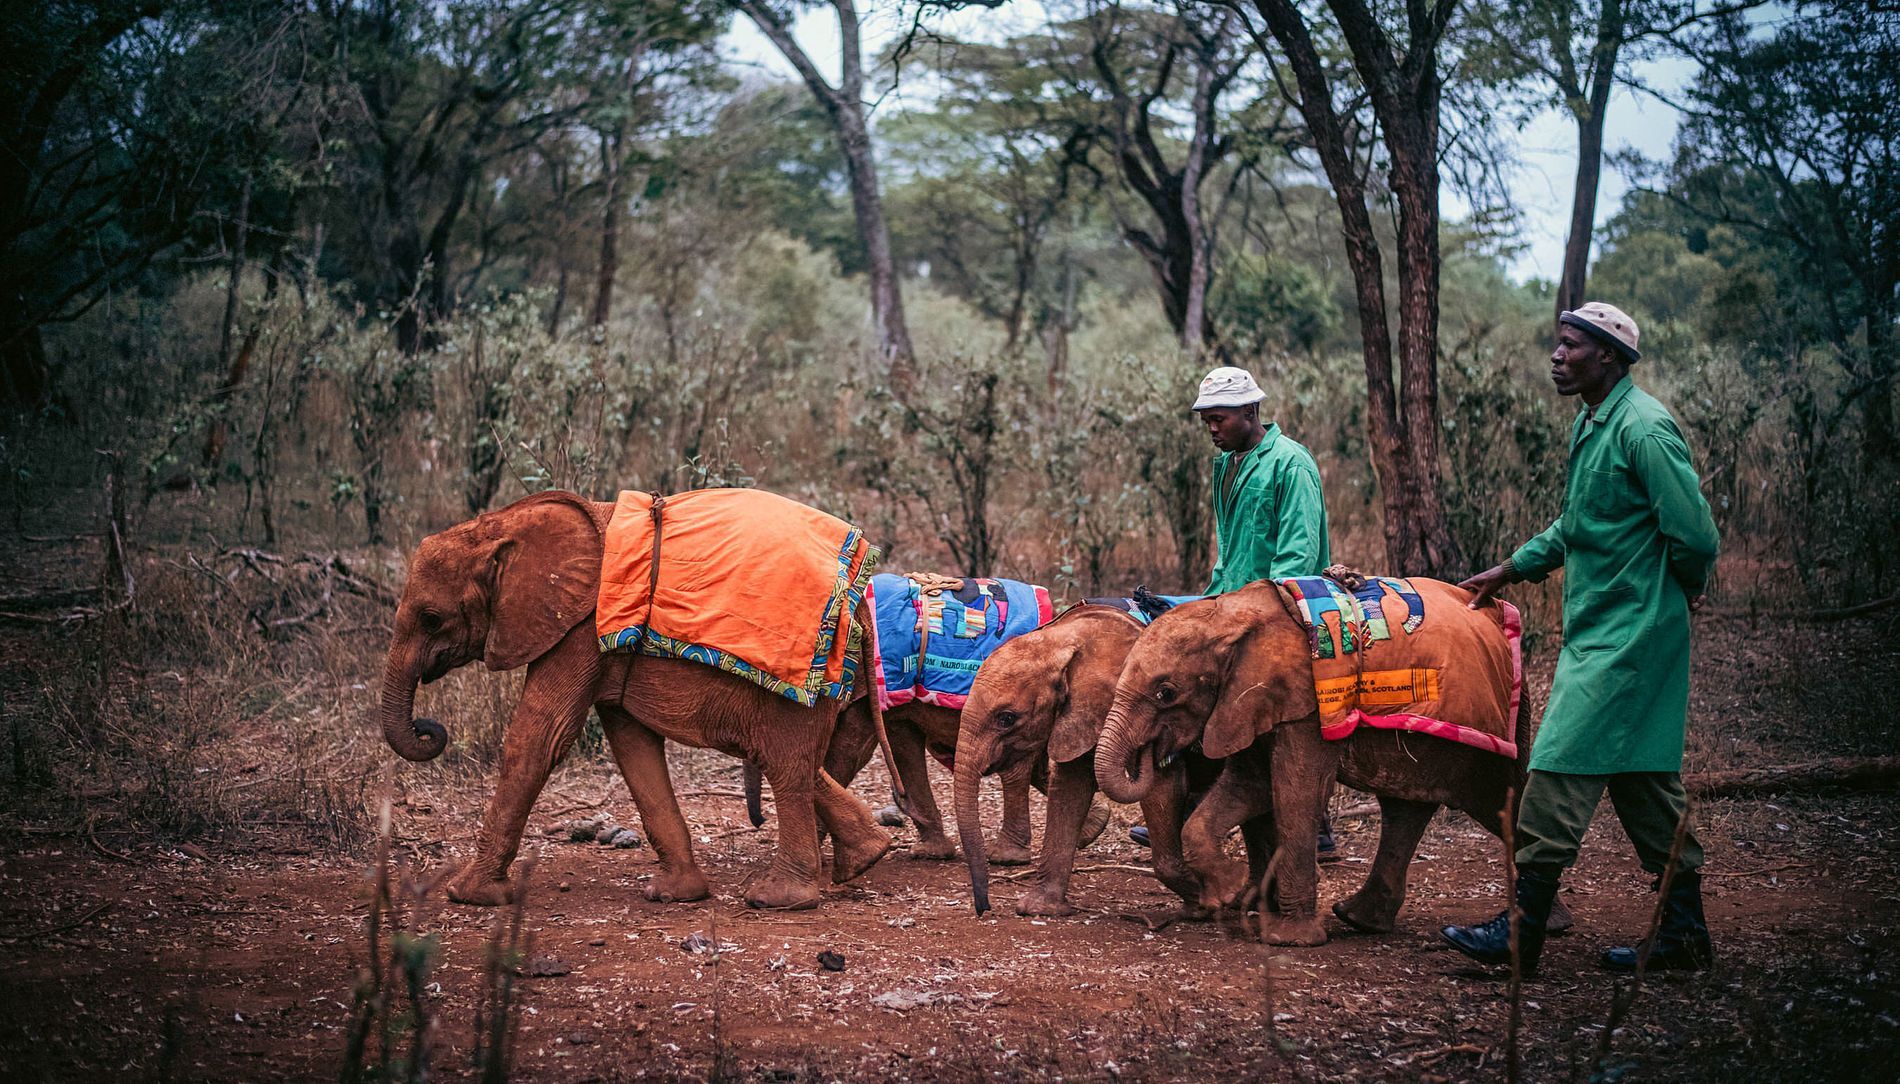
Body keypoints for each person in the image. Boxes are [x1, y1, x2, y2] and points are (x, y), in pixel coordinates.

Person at [1439, 302, 1721, 975]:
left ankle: (1522, 936)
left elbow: (1696, 536)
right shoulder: (1595, 424)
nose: (1558, 356)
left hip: (1633, 634)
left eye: (1571, 347)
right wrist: (1513, 568)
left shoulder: (1645, 430)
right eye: (1557, 345)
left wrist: (1681, 591)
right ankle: (1683, 938)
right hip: (1605, 626)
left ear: (1610, 357)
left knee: (1560, 762)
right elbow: (1578, 526)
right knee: (1643, 780)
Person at [1130, 366, 1336, 850]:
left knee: (1277, 722)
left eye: (1219, 419)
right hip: (1232, 608)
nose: (1212, 429)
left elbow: (1297, 560)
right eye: (1206, 420)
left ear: (1250, 411)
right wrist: (1206, 611)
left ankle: (1312, 827)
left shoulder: (1292, 464)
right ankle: (1202, 804)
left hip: (1278, 617)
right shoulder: (1227, 465)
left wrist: (1245, 617)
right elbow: (1230, 553)